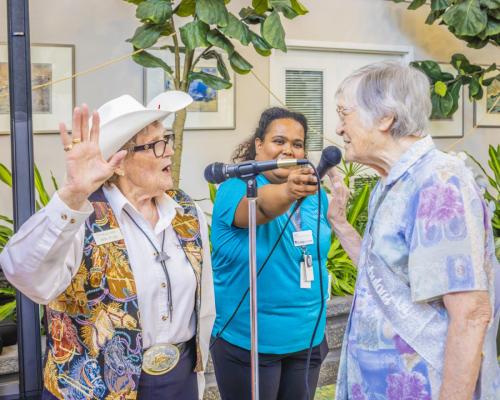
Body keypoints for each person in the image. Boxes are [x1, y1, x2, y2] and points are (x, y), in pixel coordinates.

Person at [0, 91, 215, 400]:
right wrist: (72, 195)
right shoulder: (80, 216)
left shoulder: (185, 211)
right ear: (119, 163)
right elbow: (23, 273)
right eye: (156, 145)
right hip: (94, 389)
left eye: (167, 139)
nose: (168, 151)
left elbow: (203, 304)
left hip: (178, 381)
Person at [329, 61, 500, 399]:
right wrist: (342, 225)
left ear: (385, 118)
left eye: (344, 114)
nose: (338, 128)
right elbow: (388, 274)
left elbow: (470, 313)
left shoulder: (439, 182)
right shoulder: (392, 181)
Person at [209, 107, 333, 400]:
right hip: (250, 345)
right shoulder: (236, 188)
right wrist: (290, 191)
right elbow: (260, 208)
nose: (289, 149)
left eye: (297, 143)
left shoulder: (318, 196)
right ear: (259, 145)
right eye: (279, 141)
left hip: (308, 340)